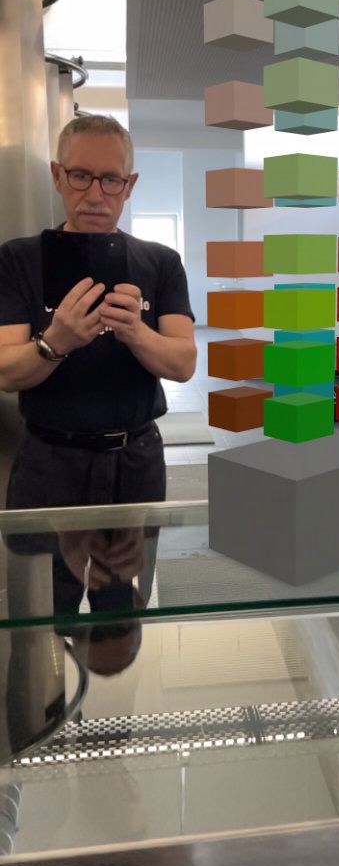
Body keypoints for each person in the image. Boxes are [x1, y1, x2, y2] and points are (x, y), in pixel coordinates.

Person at [0, 114, 196, 595]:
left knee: (123, 605)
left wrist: (136, 333)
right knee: (42, 608)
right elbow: (5, 372)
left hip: (136, 459)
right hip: (49, 461)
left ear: (129, 185)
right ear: (56, 175)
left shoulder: (161, 263)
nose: (95, 194)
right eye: (80, 176)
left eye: (110, 179)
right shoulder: (17, 260)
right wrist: (56, 342)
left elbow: (184, 363)